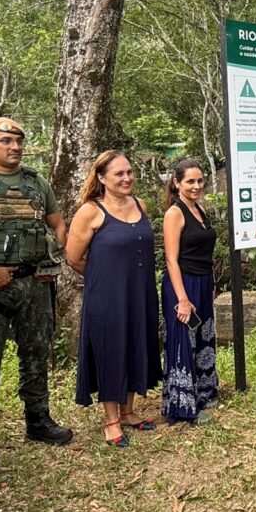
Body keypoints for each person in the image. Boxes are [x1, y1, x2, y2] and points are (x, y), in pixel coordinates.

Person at [0, 117, 72, 478]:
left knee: (36, 353)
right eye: (6, 141)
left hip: (34, 284)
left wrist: (50, 255)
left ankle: (38, 421)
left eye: (19, 141)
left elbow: (57, 222)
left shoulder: (36, 181)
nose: (15, 147)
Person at [66, 151, 161, 446]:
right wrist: (103, 277)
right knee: (111, 350)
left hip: (141, 292)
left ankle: (129, 411)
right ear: (102, 178)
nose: (126, 178)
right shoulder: (91, 212)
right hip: (107, 297)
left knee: (136, 344)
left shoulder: (141, 205)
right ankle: (111, 421)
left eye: (129, 172)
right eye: (119, 174)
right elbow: (73, 257)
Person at [161, 159, 219, 423]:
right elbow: (171, 259)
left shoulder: (199, 210)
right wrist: (182, 298)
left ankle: (204, 392)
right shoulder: (175, 213)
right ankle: (183, 406)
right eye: (190, 181)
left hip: (203, 282)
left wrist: (211, 283)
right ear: (177, 183)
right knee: (184, 340)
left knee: (204, 338)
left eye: (199, 180)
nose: (196, 186)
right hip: (182, 283)